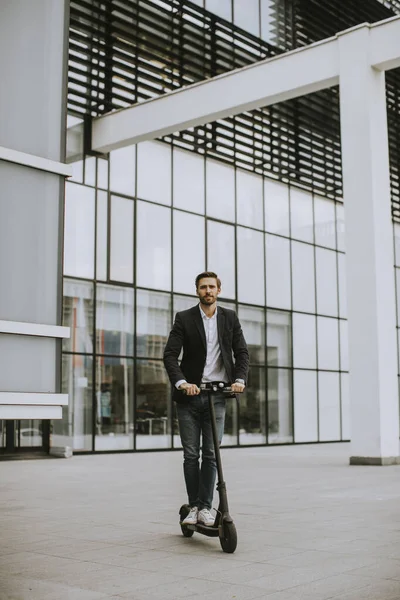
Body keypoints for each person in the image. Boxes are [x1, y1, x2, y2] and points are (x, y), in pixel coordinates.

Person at [163, 271, 249, 527]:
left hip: (217, 396)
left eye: (212, 287)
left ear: (218, 290)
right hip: (189, 397)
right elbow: (170, 355)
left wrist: (240, 380)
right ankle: (193, 507)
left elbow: (241, 352)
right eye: (203, 287)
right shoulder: (185, 318)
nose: (208, 291)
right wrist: (182, 383)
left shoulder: (229, 318)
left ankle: (205, 507)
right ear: (197, 290)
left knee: (211, 454)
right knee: (191, 455)